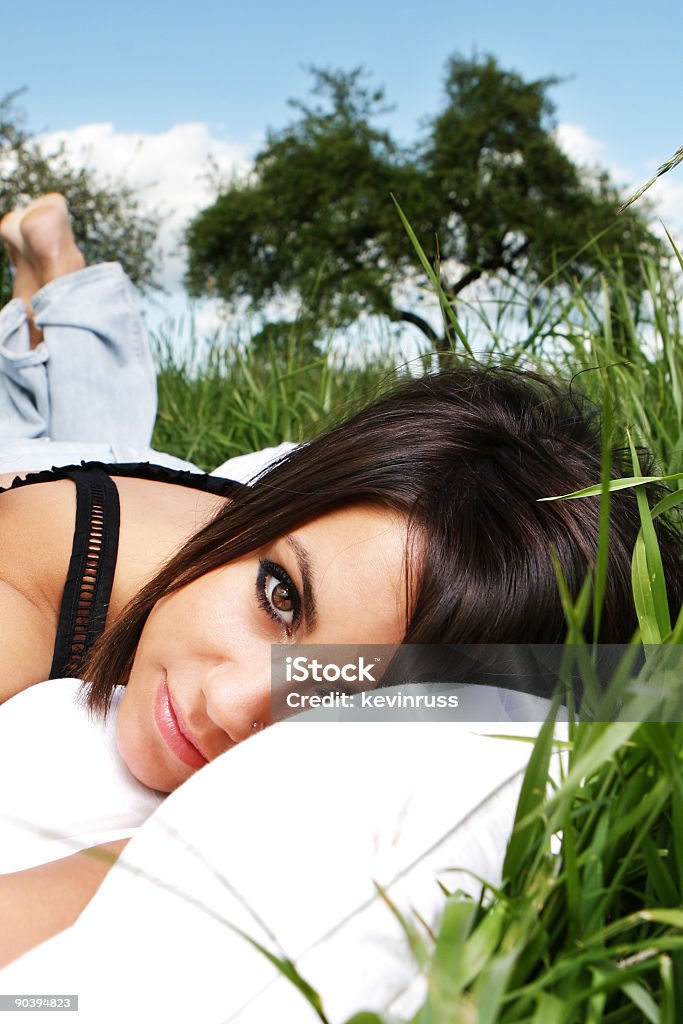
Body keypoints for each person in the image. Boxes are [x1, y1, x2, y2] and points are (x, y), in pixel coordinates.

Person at [0, 194, 682, 967]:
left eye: (336, 698)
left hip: (161, 498)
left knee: (111, 428)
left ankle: (35, 280)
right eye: (279, 598)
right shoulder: (27, 592)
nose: (229, 705)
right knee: (55, 430)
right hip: (59, 508)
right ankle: (53, 270)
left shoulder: (338, 554)